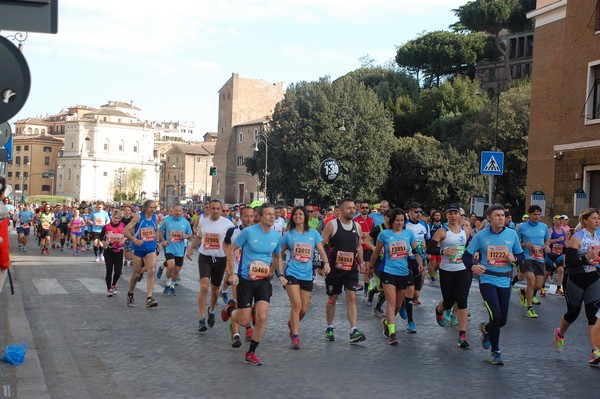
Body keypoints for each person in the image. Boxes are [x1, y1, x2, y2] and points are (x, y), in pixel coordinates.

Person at [221, 204, 283, 366]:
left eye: (273, 214)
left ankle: (251, 353)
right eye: (268, 214)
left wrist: (276, 272)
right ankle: (230, 310)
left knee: (262, 316)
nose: (272, 217)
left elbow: (277, 256)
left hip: (263, 281)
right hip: (245, 281)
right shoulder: (248, 232)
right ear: (260, 217)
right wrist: (232, 273)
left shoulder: (276, 236)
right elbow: (230, 250)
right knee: (244, 320)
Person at [462, 204, 524, 366]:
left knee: (502, 320)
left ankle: (488, 330)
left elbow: (520, 254)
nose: (501, 218)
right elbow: (466, 256)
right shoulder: (481, 236)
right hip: (487, 279)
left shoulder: (512, 234)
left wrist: (515, 259)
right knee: (496, 316)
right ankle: (495, 352)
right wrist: (473, 267)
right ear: (489, 218)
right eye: (497, 215)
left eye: (503, 215)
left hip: (505, 279)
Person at [552, 208, 600, 365]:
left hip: (593, 278)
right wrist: (586, 258)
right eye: (594, 218)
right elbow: (570, 262)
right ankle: (560, 334)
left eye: (599, 218)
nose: (597, 221)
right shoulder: (577, 238)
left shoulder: (598, 237)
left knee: (593, 314)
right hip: (575, 278)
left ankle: (594, 351)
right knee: (573, 312)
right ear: (585, 220)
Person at [281, 206, 330, 349]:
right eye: (295, 214)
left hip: (307, 274)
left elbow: (321, 250)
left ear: (305, 217)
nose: (298, 217)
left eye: (300, 214)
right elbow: (280, 253)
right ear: (292, 217)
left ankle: (292, 322)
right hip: (292, 273)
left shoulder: (314, 234)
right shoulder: (289, 234)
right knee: (296, 305)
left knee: (303, 310)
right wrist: (277, 271)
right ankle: (295, 336)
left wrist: (326, 263)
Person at [321, 198, 367, 344]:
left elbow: (358, 246)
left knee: (352, 297)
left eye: (354, 208)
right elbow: (320, 245)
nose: (352, 210)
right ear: (340, 210)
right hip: (334, 270)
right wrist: (324, 263)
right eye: (349, 208)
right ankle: (329, 327)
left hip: (351, 269)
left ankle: (353, 330)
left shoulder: (357, 226)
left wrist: (361, 262)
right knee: (333, 298)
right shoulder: (332, 225)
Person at [370, 208, 418, 345]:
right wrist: (369, 267)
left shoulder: (409, 234)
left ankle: (386, 322)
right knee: (391, 302)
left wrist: (421, 262)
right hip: (387, 270)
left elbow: (416, 251)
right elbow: (376, 252)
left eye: (402, 220)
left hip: (403, 272)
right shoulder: (384, 234)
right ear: (391, 221)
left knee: (397, 305)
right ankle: (392, 333)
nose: (399, 223)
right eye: (397, 220)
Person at [427, 203, 471, 348]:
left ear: (460, 215)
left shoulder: (465, 231)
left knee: (462, 301)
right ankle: (439, 310)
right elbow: (430, 248)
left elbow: (468, 248)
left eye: (455, 213)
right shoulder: (442, 231)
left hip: (462, 270)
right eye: (450, 213)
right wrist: (442, 252)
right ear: (447, 216)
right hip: (446, 270)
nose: (453, 216)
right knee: (449, 302)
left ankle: (462, 335)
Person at [186, 200, 234, 332]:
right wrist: (190, 249)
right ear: (209, 209)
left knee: (214, 290)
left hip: (220, 259)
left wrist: (231, 264)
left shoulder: (228, 224)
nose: (216, 211)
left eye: (218, 209)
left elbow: (231, 244)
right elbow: (198, 237)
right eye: (213, 208)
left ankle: (211, 310)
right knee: (204, 286)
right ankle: (201, 318)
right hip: (205, 257)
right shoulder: (203, 222)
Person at [222, 206, 255, 347]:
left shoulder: (258, 233)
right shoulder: (233, 231)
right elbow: (226, 245)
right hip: (237, 273)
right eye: (246, 216)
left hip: (253, 275)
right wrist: (230, 268)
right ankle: (235, 334)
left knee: (250, 305)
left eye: (251, 216)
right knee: (238, 302)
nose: (249, 219)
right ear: (240, 217)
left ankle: (230, 312)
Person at [123, 200, 159, 309]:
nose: (153, 210)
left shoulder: (155, 217)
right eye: (151, 208)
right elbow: (125, 231)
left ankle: (149, 298)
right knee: (136, 274)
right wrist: (134, 240)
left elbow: (155, 230)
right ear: (145, 208)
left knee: (152, 269)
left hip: (151, 248)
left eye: (154, 208)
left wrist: (157, 243)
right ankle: (130, 293)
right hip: (139, 249)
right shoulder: (139, 217)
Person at [517, 205, 550, 318]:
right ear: (529, 214)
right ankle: (530, 308)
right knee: (531, 280)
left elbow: (547, 240)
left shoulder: (544, 227)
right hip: (527, 257)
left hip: (539, 258)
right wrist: (525, 244)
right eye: (534, 214)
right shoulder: (522, 227)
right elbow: (516, 243)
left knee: (538, 285)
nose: (537, 216)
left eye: (538, 214)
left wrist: (547, 245)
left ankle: (524, 293)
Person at [159, 204, 193, 296]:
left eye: (179, 211)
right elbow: (159, 231)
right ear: (172, 211)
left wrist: (186, 236)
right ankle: (168, 283)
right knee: (171, 266)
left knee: (176, 270)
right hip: (169, 247)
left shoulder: (185, 222)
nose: (177, 212)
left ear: (182, 212)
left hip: (180, 249)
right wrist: (163, 241)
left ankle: (172, 286)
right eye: (176, 211)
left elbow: (190, 234)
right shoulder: (167, 221)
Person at [404, 202, 429, 307]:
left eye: (420, 212)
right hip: (407, 258)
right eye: (416, 212)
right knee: (409, 283)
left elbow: (427, 239)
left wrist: (424, 248)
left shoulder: (424, 225)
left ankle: (416, 296)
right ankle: (406, 299)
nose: (419, 214)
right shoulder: (404, 225)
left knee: (422, 276)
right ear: (409, 212)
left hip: (420, 257)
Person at [99, 210, 126, 296]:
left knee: (118, 271)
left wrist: (124, 239)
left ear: (120, 219)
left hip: (119, 250)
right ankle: (109, 288)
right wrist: (103, 242)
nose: (116, 220)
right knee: (109, 270)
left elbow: (127, 235)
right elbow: (100, 237)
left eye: (118, 218)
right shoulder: (107, 226)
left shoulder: (123, 226)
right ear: (112, 217)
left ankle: (114, 284)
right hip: (109, 250)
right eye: (115, 218)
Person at [354, 201, 374, 296]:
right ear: (360, 209)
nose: (365, 209)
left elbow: (373, 234)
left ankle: (366, 289)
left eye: (366, 207)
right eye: (363, 207)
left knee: (367, 268)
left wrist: (368, 235)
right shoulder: (356, 220)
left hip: (368, 247)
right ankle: (355, 284)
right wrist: (362, 235)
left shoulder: (371, 220)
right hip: (358, 247)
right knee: (357, 267)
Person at [545, 215, 566, 296]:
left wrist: (565, 244)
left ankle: (558, 288)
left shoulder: (563, 231)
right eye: (558, 220)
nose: (560, 221)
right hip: (550, 253)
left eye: (561, 220)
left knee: (561, 270)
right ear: (554, 221)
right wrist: (557, 240)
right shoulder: (551, 230)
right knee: (547, 272)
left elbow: (565, 242)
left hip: (559, 254)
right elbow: (548, 241)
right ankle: (542, 287)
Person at [427, 210, 445, 284]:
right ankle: (432, 277)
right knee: (433, 262)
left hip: (441, 248)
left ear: (440, 217)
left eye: (439, 215)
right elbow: (427, 237)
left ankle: (433, 271)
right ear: (433, 216)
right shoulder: (430, 226)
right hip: (432, 248)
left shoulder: (443, 226)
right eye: (436, 215)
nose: (437, 217)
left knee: (438, 264)